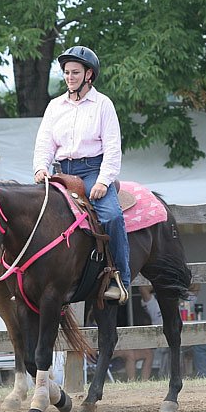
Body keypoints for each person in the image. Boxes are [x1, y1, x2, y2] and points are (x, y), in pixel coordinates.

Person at [32, 45, 130, 302]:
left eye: (75, 72)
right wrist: (41, 167)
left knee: (111, 217)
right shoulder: (55, 106)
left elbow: (112, 148)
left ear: (89, 75)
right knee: (34, 215)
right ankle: (32, 280)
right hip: (62, 174)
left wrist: (102, 181)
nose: (69, 77)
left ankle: (120, 278)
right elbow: (45, 143)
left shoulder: (103, 105)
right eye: (66, 72)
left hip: (92, 171)